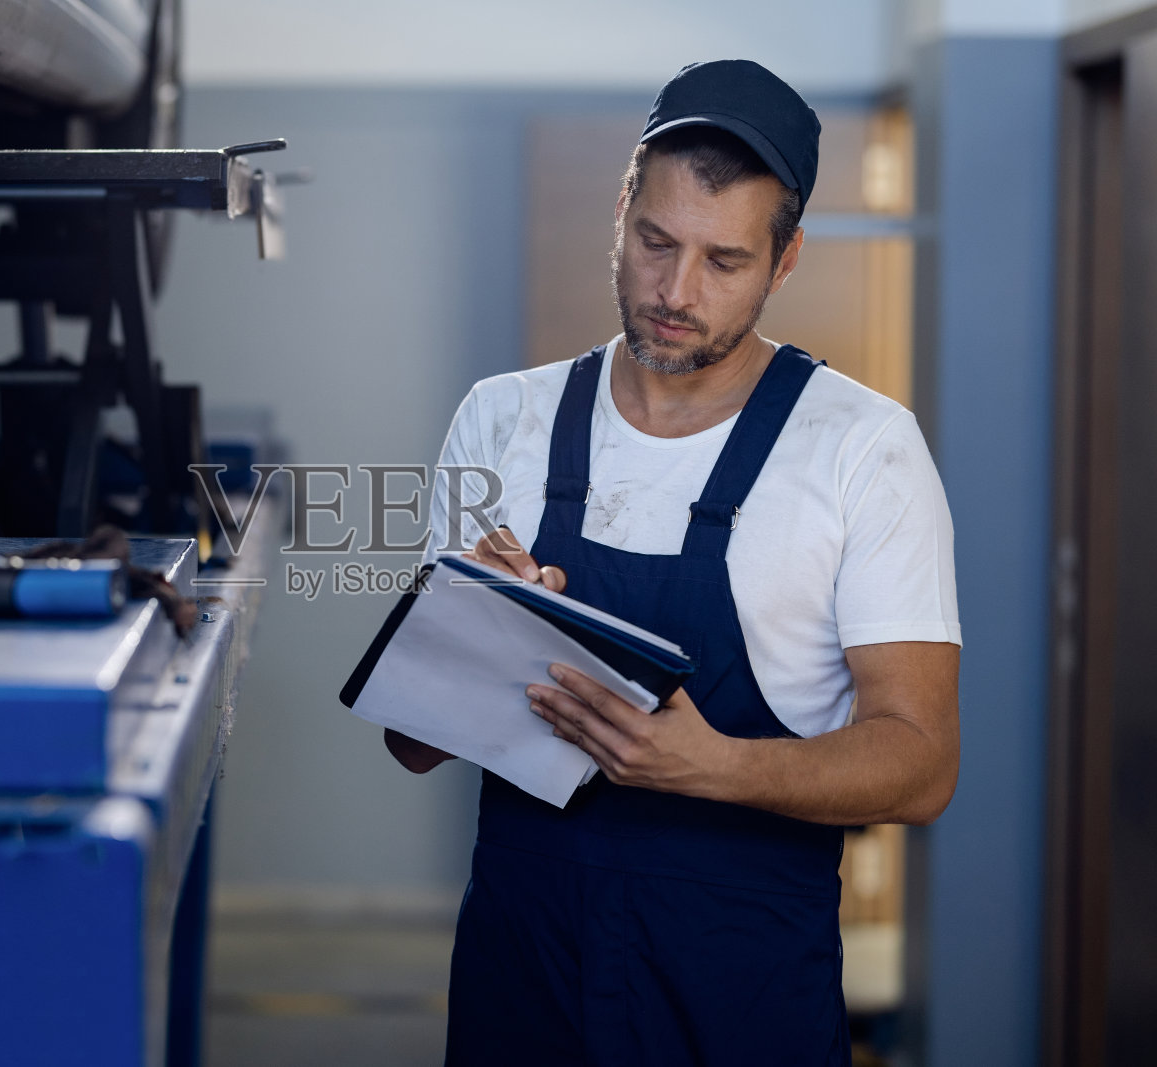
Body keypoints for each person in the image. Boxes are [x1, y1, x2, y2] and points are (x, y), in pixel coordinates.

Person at [384, 59, 962, 1064]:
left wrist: (713, 765)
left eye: (724, 260)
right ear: (621, 212)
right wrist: (478, 635)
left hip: (740, 993)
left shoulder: (862, 448)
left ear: (784, 260)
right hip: (524, 977)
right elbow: (411, 744)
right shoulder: (502, 418)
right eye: (655, 241)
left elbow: (921, 764)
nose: (675, 291)